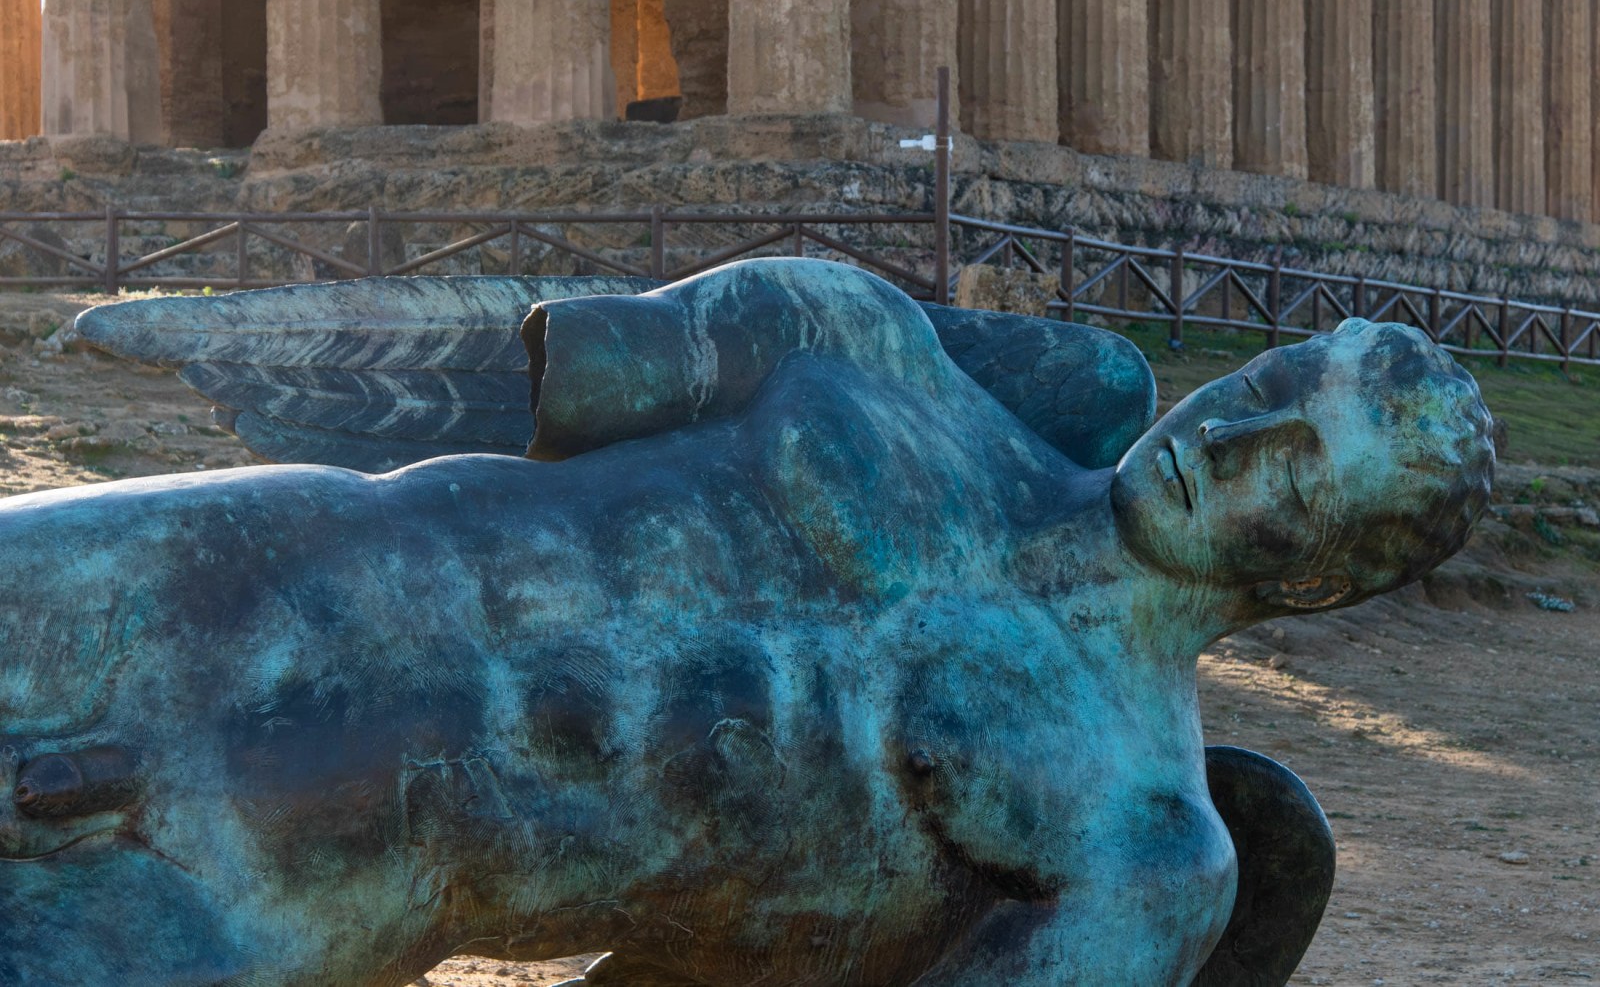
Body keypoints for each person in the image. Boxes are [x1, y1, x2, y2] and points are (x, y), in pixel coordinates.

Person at [3, 262, 1492, 986]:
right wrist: (245, 332)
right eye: (1272, 391)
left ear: (1318, 582)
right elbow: (512, 360)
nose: (1230, 441)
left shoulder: (1140, 848)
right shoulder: (876, 348)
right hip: (236, 574)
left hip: (310, 883)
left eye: (1298, 470)